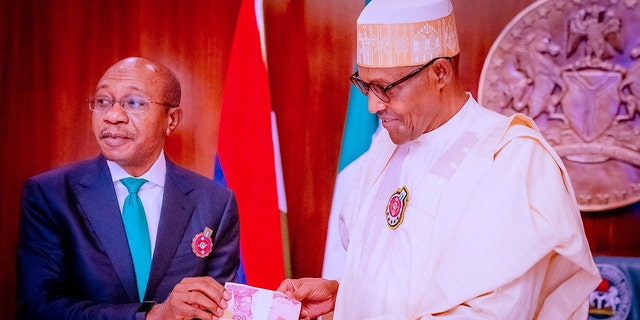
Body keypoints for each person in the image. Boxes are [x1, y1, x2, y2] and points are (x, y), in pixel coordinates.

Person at [278, 0, 602, 319]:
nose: (373, 107)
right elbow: (397, 283)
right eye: (365, 86)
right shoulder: (386, 146)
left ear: (440, 73)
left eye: (385, 88)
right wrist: (344, 298)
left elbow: (494, 311)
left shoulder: (511, 158)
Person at [17, 57, 240, 320]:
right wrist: (150, 316)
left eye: (134, 103)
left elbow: (220, 310)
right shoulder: (49, 195)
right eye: (103, 102)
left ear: (171, 120)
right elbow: (38, 308)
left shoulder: (215, 203)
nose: (112, 116)